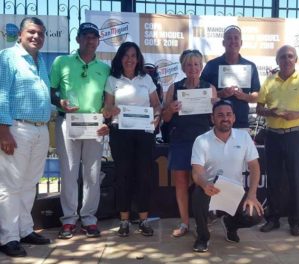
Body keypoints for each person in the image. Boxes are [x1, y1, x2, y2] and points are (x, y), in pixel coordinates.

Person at [50, 22, 110, 239]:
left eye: (94, 37)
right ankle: (68, 220)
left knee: (92, 174)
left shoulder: (105, 68)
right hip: (68, 122)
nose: (90, 40)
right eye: (86, 36)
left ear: (98, 41)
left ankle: (89, 219)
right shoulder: (62, 62)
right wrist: (60, 101)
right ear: (78, 39)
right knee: (68, 172)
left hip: (95, 125)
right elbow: (51, 91)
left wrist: (108, 122)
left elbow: (109, 100)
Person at [0, 17, 52, 258]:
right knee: (10, 185)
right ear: (20, 34)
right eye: (31, 32)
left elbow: (43, 96)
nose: (36, 37)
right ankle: (8, 237)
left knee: (30, 183)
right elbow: (2, 94)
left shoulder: (40, 60)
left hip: (40, 129)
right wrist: (3, 130)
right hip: (17, 128)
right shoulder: (7, 57)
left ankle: (24, 229)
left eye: (40, 33)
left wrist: (59, 104)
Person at [256, 45, 299, 236]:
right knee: (273, 178)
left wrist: (297, 114)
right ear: (277, 61)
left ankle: (295, 221)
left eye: (290, 56)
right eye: (282, 57)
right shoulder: (269, 81)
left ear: (296, 60)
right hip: (273, 135)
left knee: (297, 179)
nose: (286, 60)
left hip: (295, 134)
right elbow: (259, 108)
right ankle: (272, 218)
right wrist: (270, 112)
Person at [102, 42, 161, 237]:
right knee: (123, 177)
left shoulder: (146, 79)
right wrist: (111, 110)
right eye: (126, 55)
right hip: (120, 133)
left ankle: (143, 219)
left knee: (143, 176)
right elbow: (107, 109)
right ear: (120, 57)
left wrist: (157, 118)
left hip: (144, 133)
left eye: (133, 55)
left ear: (138, 58)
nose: (130, 59)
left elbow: (156, 105)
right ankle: (124, 221)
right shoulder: (113, 79)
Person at [191, 100, 264, 252]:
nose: (225, 118)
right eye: (220, 115)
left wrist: (252, 194)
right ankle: (203, 237)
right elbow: (196, 172)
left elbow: (255, 167)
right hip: (210, 189)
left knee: (255, 214)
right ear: (212, 119)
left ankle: (231, 225)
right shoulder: (201, 140)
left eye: (228, 114)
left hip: (234, 191)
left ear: (234, 118)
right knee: (197, 195)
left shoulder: (244, 137)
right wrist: (205, 185)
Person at [162, 49, 217, 238]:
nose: (192, 68)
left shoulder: (209, 88)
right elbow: (165, 118)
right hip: (181, 140)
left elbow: (214, 119)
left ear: (201, 67)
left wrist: (214, 106)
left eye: (196, 64)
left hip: (203, 142)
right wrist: (170, 108)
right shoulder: (174, 88)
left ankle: (204, 220)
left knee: (203, 182)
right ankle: (185, 223)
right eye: (188, 64)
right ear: (183, 67)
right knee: (181, 182)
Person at [201, 25, 260, 129]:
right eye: (229, 38)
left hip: (241, 123)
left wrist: (244, 96)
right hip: (216, 124)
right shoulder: (211, 65)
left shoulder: (250, 66)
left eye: (236, 38)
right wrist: (220, 94)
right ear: (223, 43)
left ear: (241, 42)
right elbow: (201, 92)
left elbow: (257, 95)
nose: (233, 41)